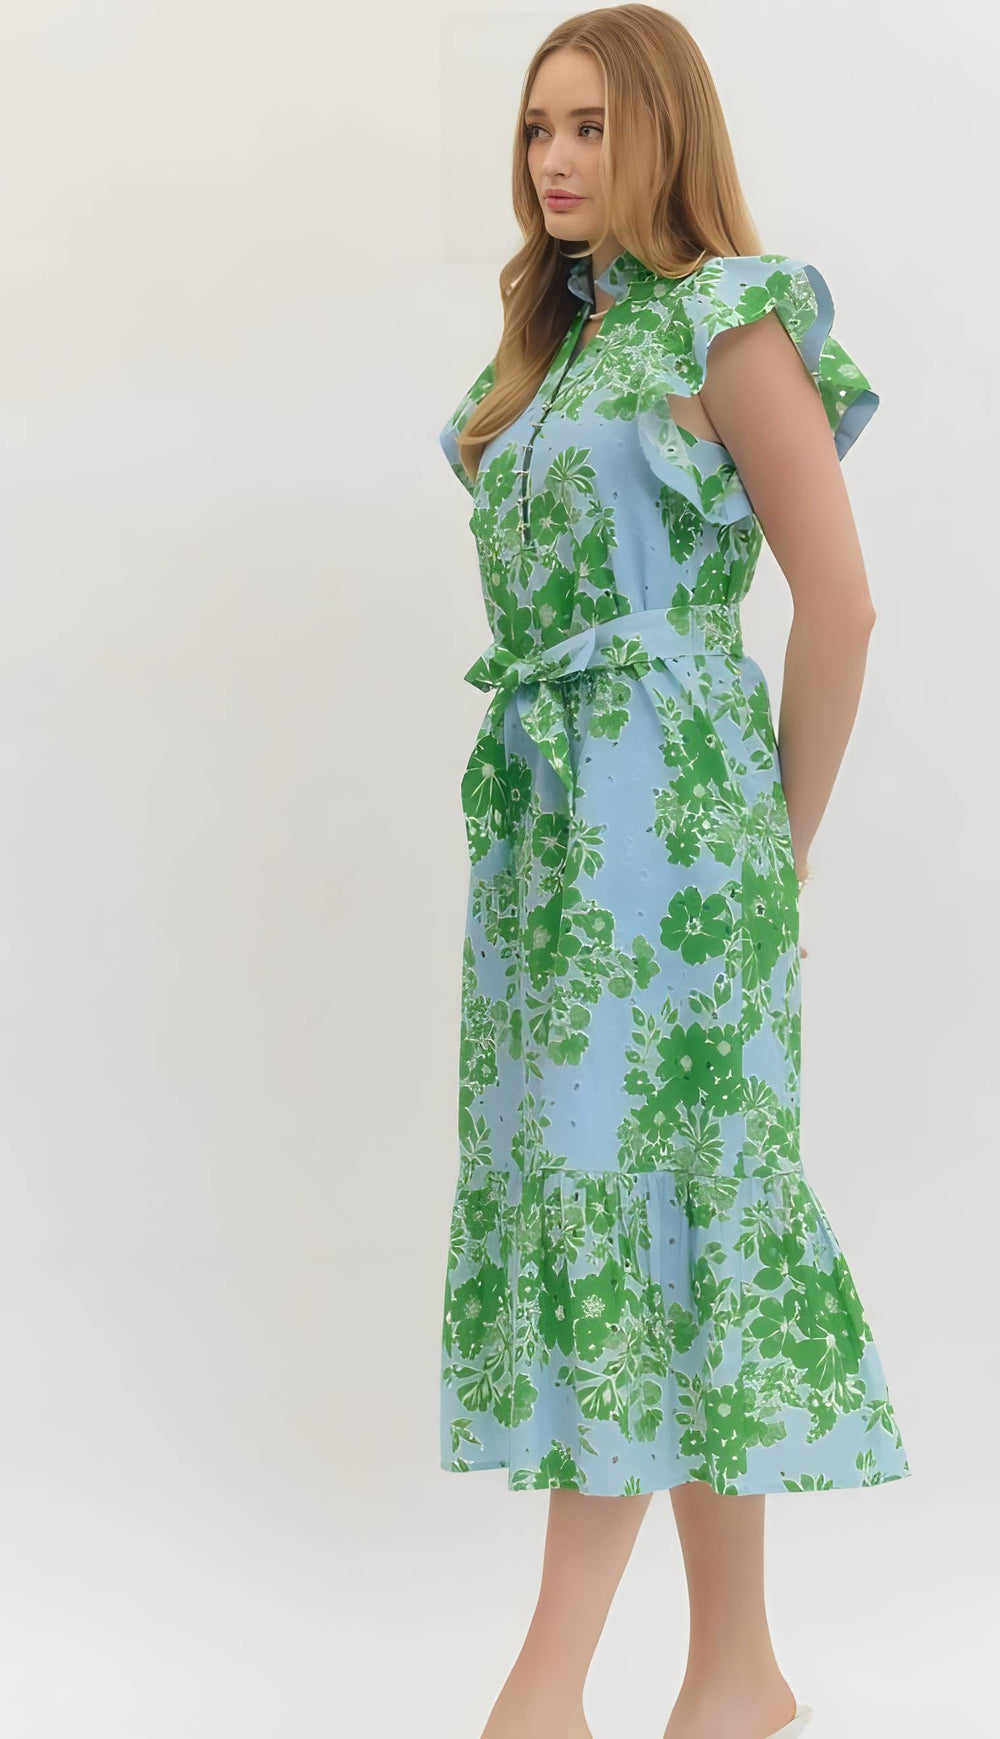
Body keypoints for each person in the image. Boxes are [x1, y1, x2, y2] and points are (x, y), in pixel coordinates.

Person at [436, 8, 911, 1738]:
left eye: (589, 127)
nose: (556, 160)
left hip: (678, 840)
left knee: (642, 1203)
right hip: (556, 834)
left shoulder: (732, 318)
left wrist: (771, 854)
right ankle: (738, 1673)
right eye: (537, 129)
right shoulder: (550, 350)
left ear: (661, 135)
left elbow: (839, 605)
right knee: (656, 1206)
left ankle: (539, 1690)